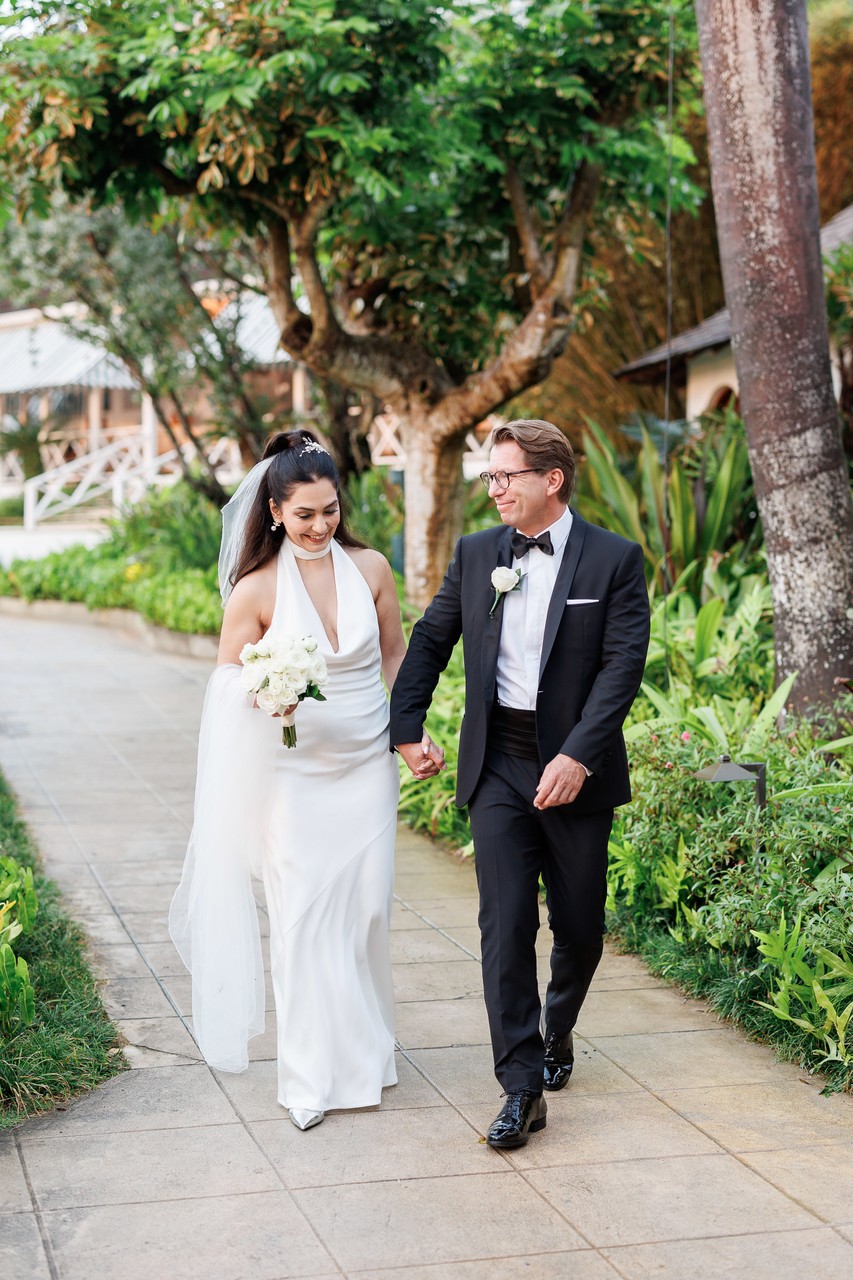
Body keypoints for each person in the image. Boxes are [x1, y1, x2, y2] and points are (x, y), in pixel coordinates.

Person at [390, 419, 650, 1150]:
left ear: (550, 480)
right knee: (503, 924)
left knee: (579, 926)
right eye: (489, 477)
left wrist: (577, 755)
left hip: (576, 767)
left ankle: (556, 1028)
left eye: (504, 476)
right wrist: (405, 728)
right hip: (497, 764)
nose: (493, 488)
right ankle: (520, 1086)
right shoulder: (476, 556)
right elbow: (431, 638)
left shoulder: (613, 559)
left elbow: (621, 667)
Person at [170, 429, 432, 1131]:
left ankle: (370, 1054)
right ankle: (309, 1076)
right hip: (292, 778)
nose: (320, 526)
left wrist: (411, 735)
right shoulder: (254, 589)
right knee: (305, 919)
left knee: (367, 914)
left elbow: (394, 656)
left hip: (366, 767)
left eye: (331, 511)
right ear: (276, 511)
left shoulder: (373, 567)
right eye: (306, 514)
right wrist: (261, 694)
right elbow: (225, 680)